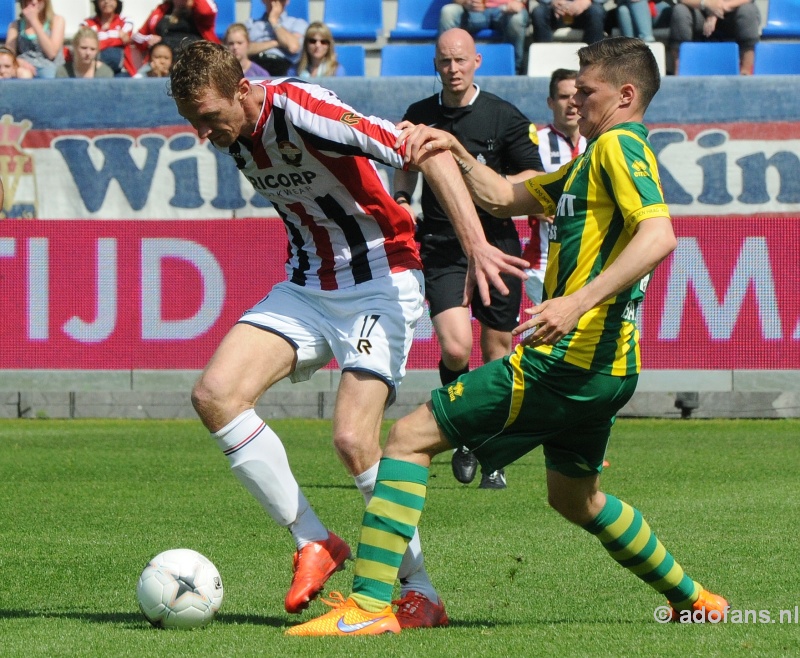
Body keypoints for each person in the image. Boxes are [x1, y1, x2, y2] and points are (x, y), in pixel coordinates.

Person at [286, 36, 728, 637]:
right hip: (608, 366)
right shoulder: (589, 160)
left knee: (408, 438)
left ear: (626, 95)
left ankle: (367, 608)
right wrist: (456, 150)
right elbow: (502, 195)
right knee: (577, 500)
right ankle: (695, 598)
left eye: (587, 91)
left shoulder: (622, 147)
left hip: (568, 357)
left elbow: (658, 236)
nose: (574, 101)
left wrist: (574, 301)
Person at [168, 40, 528, 626]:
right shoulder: (234, 130)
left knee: (352, 440)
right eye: (193, 123)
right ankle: (315, 542)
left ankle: (421, 591)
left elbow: (427, 149)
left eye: (209, 117)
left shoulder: (303, 108)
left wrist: (476, 244)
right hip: (308, 284)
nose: (204, 133)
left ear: (242, 90)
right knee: (215, 395)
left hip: (381, 280)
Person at [393, 28, 543, 490]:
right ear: (435, 65)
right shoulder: (418, 115)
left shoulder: (504, 117)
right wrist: (401, 197)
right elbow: (402, 166)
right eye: (444, 62)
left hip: (497, 247)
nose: (453, 69)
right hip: (441, 245)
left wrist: (486, 177)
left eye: (460, 61)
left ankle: (492, 449)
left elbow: (534, 176)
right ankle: (460, 429)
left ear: (477, 61)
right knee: (456, 347)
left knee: (498, 352)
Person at [523, 68, 586, 307]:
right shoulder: (535, 143)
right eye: (562, 97)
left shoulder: (598, 142)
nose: (571, 104)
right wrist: (535, 205)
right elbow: (509, 185)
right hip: (543, 263)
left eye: (575, 96)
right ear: (551, 102)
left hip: (589, 261)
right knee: (551, 335)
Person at [667, 0, 760, 75]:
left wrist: (720, 9)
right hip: (700, 11)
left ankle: (746, 72)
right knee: (680, 11)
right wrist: (705, 3)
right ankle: (679, 70)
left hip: (732, 10)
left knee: (748, 11)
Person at [438, 0, 529, 75]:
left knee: (516, 19)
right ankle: (445, 68)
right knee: (448, 12)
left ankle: (515, 71)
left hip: (506, 10)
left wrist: (519, 2)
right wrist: (466, 2)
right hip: (473, 12)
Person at [133, 0, 219, 60]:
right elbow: (137, 37)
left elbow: (207, 11)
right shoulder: (161, 10)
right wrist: (148, 38)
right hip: (163, 62)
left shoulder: (199, 10)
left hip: (194, 59)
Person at [5, 0, 65, 79]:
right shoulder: (15, 25)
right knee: (22, 74)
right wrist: (18, 61)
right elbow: (8, 55)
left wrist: (34, 21)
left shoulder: (56, 21)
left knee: (48, 76)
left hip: (49, 67)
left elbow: (51, 54)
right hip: (25, 66)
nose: (34, 2)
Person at [247, 0, 307, 77]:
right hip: (256, 66)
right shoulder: (251, 24)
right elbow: (242, 50)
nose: (276, 3)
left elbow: (293, 47)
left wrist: (274, 21)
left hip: (284, 67)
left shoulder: (297, 23)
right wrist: (277, 43)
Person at [81, 0, 136, 77]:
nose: (106, 1)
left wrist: (98, 39)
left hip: (121, 71)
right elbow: (84, 43)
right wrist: (116, 35)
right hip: (95, 71)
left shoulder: (126, 20)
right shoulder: (87, 23)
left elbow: (126, 39)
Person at [530, 0, 606, 46]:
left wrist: (587, 1)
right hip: (556, 10)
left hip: (586, 9)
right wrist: (552, 1)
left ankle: (592, 62)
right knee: (539, 13)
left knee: (596, 12)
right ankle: (545, 58)